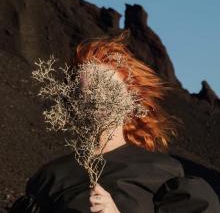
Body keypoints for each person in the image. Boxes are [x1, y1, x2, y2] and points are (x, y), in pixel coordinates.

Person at [9, 30, 220, 213]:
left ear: (131, 100)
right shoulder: (49, 178)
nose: (99, 99)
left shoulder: (163, 173)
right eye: (88, 92)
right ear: (72, 102)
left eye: (109, 90)